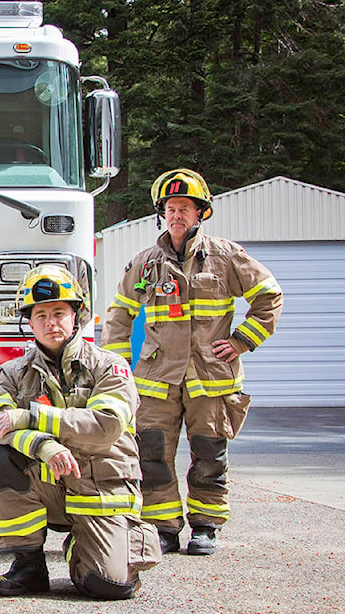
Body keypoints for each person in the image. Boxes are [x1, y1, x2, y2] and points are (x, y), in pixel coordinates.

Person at [101, 168, 283, 556]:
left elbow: (269, 296)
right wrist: (118, 370)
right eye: (171, 208)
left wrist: (242, 340)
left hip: (210, 378)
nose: (177, 215)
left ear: (201, 213)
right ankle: (163, 529)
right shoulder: (145, 264)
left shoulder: (226, 257)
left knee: (209, 457)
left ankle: (205, 527)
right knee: (151, 456)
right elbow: (119, 314)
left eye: (185, 208)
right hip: (156, 380)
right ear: (161, 213)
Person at [0, 264, 160, 600]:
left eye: (59, 312)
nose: (51, 322)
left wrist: (30, 415)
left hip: (101, 490)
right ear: (29, 322)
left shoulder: (109, 365)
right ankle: (28, 564)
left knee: (108, 586)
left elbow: (105, 427)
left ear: (75, 316)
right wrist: (44, 447)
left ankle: (83, 545)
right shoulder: (14, 371)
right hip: (50, 483)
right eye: (41, 314)